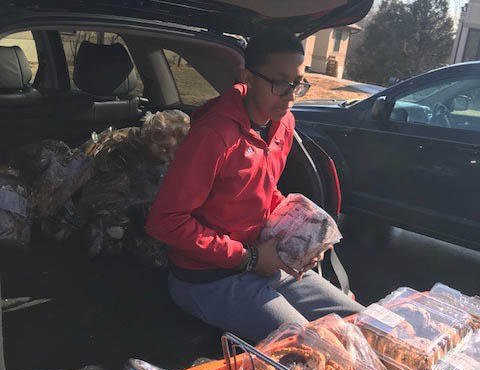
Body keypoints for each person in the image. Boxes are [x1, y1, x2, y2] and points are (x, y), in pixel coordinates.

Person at [146, 28, 364, 343]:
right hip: (207, 279)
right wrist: (246, 258)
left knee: (360, 324)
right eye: (279, 83)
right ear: (248, 76)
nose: (290, 95)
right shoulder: (214, 135)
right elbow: (165, 222)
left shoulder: (283, 124)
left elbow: (262, 193)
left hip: (263, 263)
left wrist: (303, 241)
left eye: (298, 83)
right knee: (314, 346)